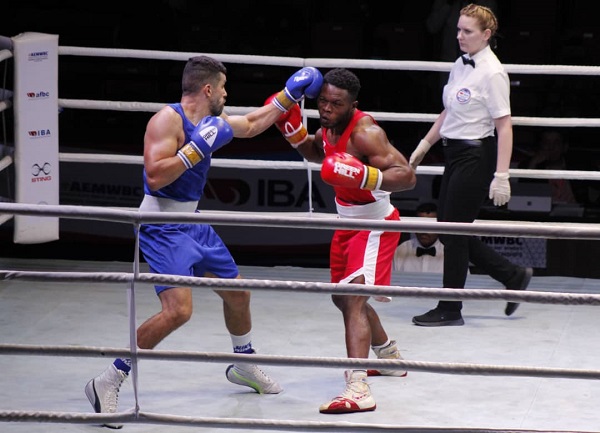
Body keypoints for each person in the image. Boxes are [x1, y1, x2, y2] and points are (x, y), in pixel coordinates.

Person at [84, 56, 323, 428]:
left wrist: (289, 95)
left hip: (192, 221)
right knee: (178, 311)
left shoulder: (214, 123)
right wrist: (195, 149)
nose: (227, 95)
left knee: (238, 293)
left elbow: (254, 123)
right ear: (208, 89)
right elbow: (154, 176)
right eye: (224, 88)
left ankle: (243, 362)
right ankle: (109, 379)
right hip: (161, 224)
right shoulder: (167, 120)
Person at [267, 68, 416, 414]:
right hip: (346, 221)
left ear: (353, 104)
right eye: (323, 101)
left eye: (336, 103)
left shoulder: (367, 133)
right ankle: (389, 356)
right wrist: (293, 133)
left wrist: (365, 175)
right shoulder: (327, 126)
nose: (328, 108)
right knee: (342, 298)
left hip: (375, 222)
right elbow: (318, 154)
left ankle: (358, 387)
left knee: (353, 299)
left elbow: (406, 176)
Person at [409, 4, 533, 327]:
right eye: (459, 29)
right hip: (453, 153)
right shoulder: (459, 65)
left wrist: (502, 175)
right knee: (452, 230)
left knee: (453, 231)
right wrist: (425, 145)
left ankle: (451, 308)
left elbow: (504, 126)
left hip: (476, 156)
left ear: (486, 35)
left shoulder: (492, 72)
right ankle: (513, 275)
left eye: (467, 31)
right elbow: (448, 111)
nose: (460, 36)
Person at [518, 129, 578, 205]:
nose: (551, 147)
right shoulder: (530, 165)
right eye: (546, 142)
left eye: (556, 143)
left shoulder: (576, 167)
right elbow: (521, 198)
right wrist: (532, 165)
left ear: (564, 147)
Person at [393, 202, 444, 273]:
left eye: (430, 226)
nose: (424, 231)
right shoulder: (401, 250)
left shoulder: (448, 253)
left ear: (439, 227)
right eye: (420, 226)